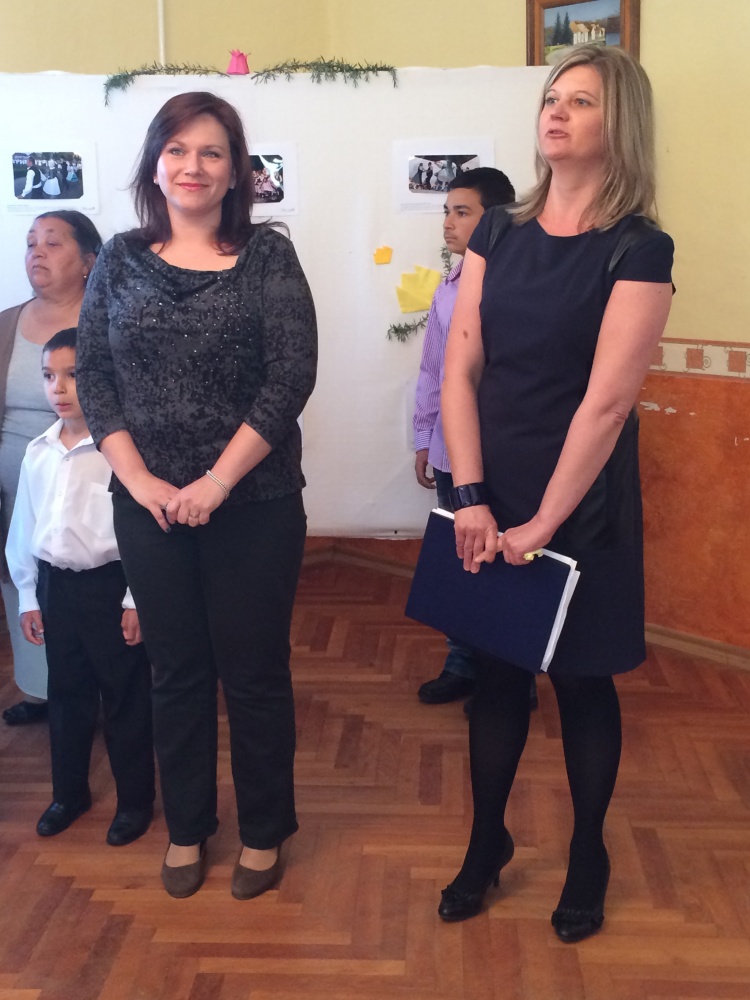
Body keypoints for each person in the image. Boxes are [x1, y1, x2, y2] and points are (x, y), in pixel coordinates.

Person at [438, 45, 674, 942]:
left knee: (580, 681)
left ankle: (587, 855)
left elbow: (607, 404)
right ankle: (486, 843)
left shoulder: (639, 247)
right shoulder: (499, 232)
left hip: (581, 499)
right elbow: (462, 364)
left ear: (621, 123)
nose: (557, 111)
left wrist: (542, 521)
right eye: (552, 97)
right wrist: (471, 494)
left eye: (581, 100)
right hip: (490, 487)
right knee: (497, 674)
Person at [76, 91, 317, 900]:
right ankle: (187, 827)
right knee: (174, 672)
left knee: (253, 673)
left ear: (236, 170)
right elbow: (95, 378)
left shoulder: (268, 257)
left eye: (212, 152)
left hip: (255, 503)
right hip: (147, 505)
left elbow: (290, 377)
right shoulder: (118, 258)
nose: (193, 166)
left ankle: (263, 831)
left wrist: (216, 481)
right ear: (155, 164)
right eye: (177, 150)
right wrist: (140, 480)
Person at [6, 328, 155, 845]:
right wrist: (28, 595)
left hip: (109, 589)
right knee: (66, 695)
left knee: (125, 696)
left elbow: (141, 533)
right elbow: (24, 527)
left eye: (72, 374)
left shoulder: (121, 454)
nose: (59, 387)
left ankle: (135, 801)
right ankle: (68, 794)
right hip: (56, 589)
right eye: (49, 376)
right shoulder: (38, 452)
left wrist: (135, 598)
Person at [413, 168, 516, 706]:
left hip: (502, 454)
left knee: (506, 558)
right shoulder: (448, 288)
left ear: (494, 219)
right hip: (449, 453)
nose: (448, 223)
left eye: (462, 212)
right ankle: (462, 663)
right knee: (460, 558)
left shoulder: (517, 286)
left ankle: (509, 677)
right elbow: (434, 370)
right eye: (446, 212)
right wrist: (424, 436)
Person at [0, 210, 103, 726]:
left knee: (92, 589)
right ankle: (42, 690)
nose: (36, 251)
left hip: (89, 484)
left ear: (88, 261)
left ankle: (105, 693)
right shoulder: (6, 324)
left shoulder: (109, 321)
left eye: (52, 242)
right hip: (14, 490)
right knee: (21, 580)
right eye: (30, 243)